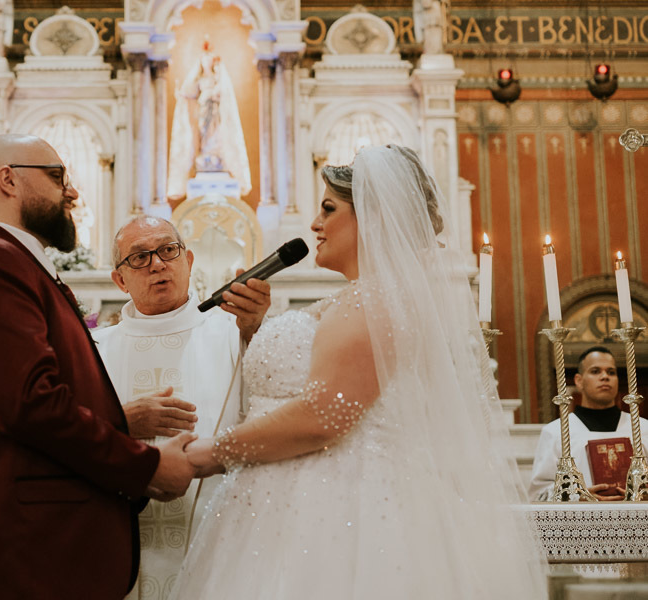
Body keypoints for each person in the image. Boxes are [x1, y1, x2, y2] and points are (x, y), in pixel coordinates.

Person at [175, 145, 547, 598]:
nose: (314, 224)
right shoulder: (359, 298)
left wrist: (213, 453)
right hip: (290, 503)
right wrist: (255, 328)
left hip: (337, 509)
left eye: (329, 209)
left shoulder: (376, 302)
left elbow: (324, 416)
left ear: (373, 218)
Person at [0, 134, 195, 600]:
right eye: (57, 176)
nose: (73, 192)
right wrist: (146, 465)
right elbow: (32, 404)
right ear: (7, 179)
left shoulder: (11, 261)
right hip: (16, 546)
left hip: (33, 544)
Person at [93, 215, 270, 599]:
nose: (158, 264)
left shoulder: (235, 332)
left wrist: (256, 329)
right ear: (119, 280)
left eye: (168, 251)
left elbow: (272, 408)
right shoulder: (93, 350)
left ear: (188, 261)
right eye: (139, 257)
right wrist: (121, 422)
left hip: (221, 541)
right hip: (119, 548)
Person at [529, 346, 648, 501]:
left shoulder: (643, 428)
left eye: (611, 372)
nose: (605, 377)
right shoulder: (555, 432)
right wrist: (578, 497)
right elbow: (538, 494)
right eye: (595, 371)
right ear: (579, 381)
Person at [167, 41, 251, 198]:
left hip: (215, 113)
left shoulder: (218, 78)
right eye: (204, 60)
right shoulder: (199, 80)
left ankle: (216, 155)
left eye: (209, 60)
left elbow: (223, 94)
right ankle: (206, 155)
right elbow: (190, 93)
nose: (206, 62)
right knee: (204, 136)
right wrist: (181, 95)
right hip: (203, 112)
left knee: (216, 134)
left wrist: (214, 91)